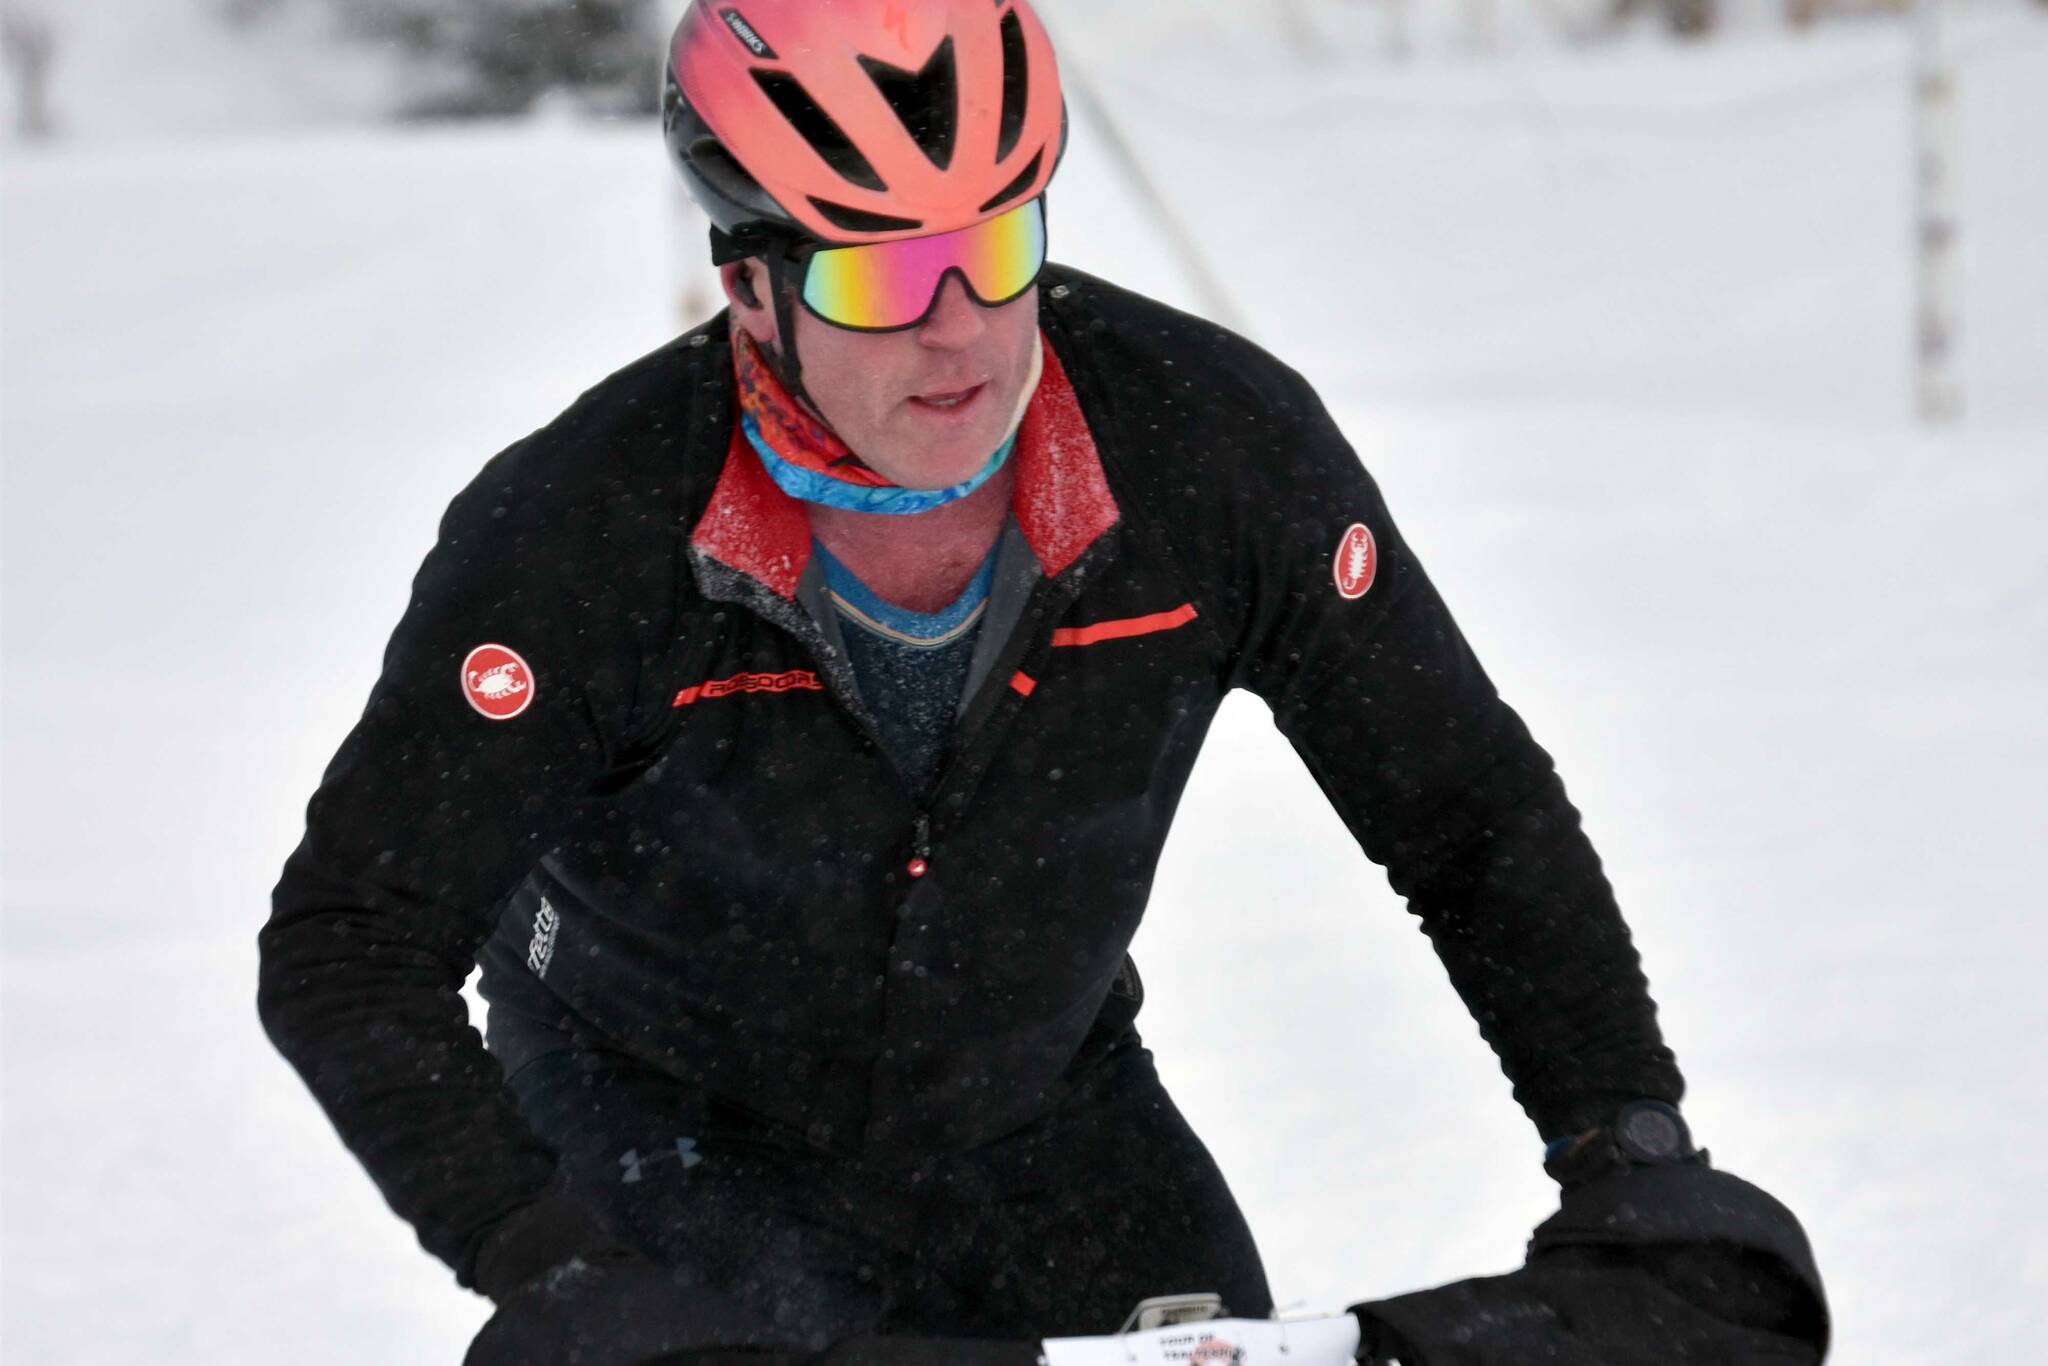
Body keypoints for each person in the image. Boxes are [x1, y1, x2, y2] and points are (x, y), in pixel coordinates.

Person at [257, 3, 1829, 1363]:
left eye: (993, 245)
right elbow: (350, 945)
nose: (956, 329)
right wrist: (554, 1270)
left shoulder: (1209, 451)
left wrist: (1623, 1140)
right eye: (879, 275)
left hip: (1040, 1100)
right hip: (661, 1113)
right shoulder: (582, 536)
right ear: (749, 290)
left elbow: (1464, 807)